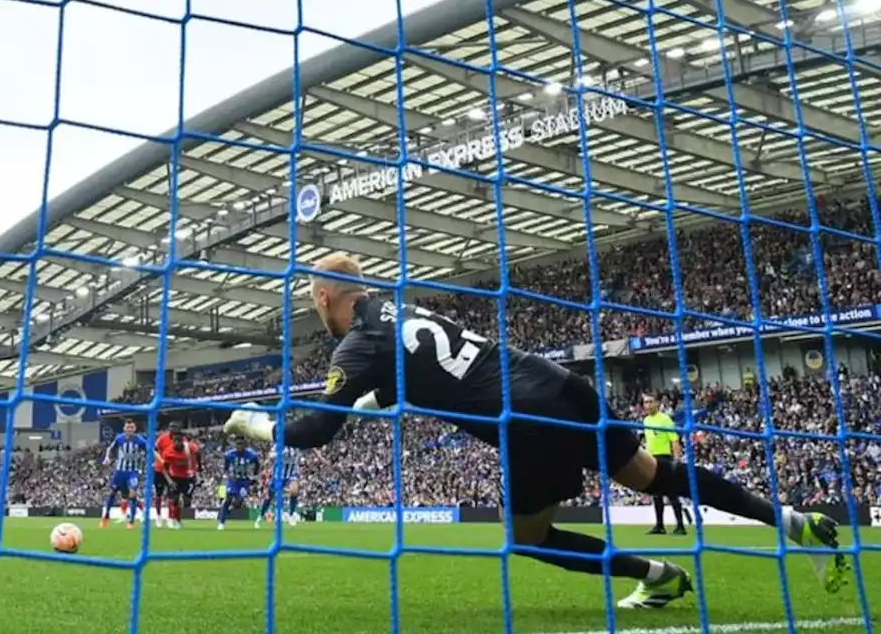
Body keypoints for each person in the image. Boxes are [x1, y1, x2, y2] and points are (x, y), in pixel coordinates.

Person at [224, 253, 849, 608]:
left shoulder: (359, 342)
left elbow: (314, 433)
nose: (316, 310)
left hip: (524, 421)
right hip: (558, 384)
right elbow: (414, 375)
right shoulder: (403, 309)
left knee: (527, 537)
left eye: (313, 301)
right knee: (655, 475)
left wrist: (256, 425)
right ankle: (795, 523)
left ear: (328, 296)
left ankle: (655, 575)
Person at [642, 393, 688, 535]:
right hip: (651, 458)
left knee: (671, 493)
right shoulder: (646, 420)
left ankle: (680, 526)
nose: (648, 405)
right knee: (656, 494)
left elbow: (674, 440)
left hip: (665, 458)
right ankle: (659, 525)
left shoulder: (665, 419)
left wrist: (676, 459)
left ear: (657, 403)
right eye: (645, 402)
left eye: (650, 401)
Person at [101, 419, 145, 529]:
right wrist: (107, 458)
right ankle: (106, 516)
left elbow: (150, 450)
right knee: (112, 493)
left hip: (132, 472)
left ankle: (131, 521)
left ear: (135, 429)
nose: (129, 429)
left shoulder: (140, 440)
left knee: (132, 494)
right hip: (120, 471)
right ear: (124, 428)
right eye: (127, 427)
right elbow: (109, 448)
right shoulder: (119, 438)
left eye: (132, 427)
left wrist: (156, 460)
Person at [218, 435, 260, 530]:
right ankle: (221, 523)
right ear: (235, 444)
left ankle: (228, 510)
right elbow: (225, 468)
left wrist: (254, 476)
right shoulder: (229, 455)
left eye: (241, 444)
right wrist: (228, 476)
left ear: (245, 444)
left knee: (238, 503)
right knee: (228, 499)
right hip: (233, 480)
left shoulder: (252, 455)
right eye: (238, 444)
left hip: (245, 482)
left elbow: (257, 465)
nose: (239, 446)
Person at [256, 444, 302, 528]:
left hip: (292, 473)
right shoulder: (279, 444)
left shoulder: (297, 443)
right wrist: (279, 454)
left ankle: (290, 514)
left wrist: (320, 457)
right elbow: (270, 455)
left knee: (294, 491)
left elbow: (310, 445)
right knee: (269, 497)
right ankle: (261, 515)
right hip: (278, 474)